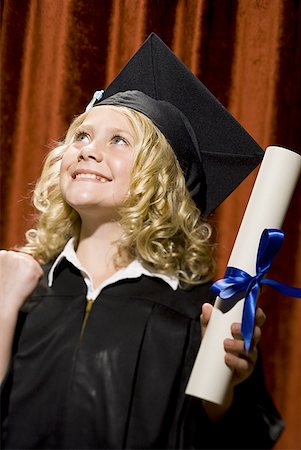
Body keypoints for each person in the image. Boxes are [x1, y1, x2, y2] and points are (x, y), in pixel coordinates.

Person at [0, 33, 284, 449]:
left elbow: (238, 439)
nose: (87, 150)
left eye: (118, 140)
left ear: (162, 181)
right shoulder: (21, 288)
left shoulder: (200, 312)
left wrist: (226, 388)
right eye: (81, 136)